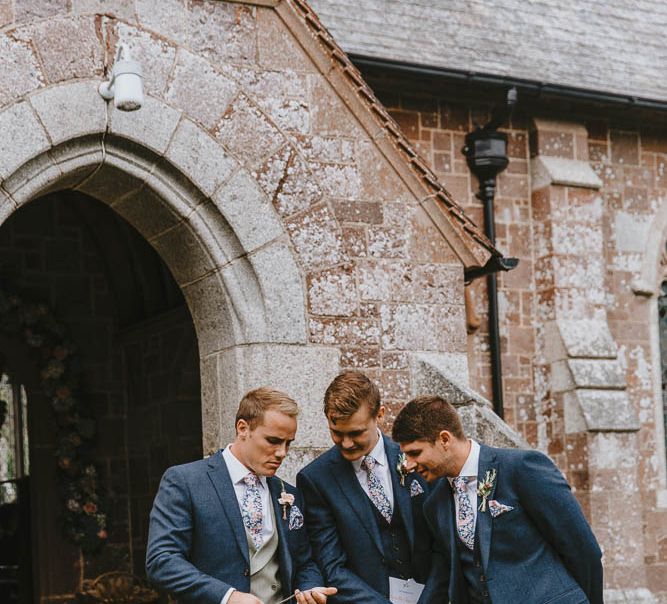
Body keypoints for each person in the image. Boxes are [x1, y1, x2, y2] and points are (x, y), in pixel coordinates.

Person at [392, 394, 604, 604]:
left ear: (444, 439)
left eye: (415, 453)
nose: (408, 465)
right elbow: (445, 574)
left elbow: (583, 550)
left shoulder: (522, 468)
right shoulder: (434, 503)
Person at [146, 387, 337, 604]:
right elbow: (162, 561)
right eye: (273, 441)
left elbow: (304, 562)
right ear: (243, 428)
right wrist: (227, 597)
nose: (282, 452)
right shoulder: (185, 481)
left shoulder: (289, 493)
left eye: (288, 443)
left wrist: (310, 587)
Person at [297, 371, 432, 604]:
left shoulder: (417, 458)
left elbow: (441, 543)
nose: (346, 443)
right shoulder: (315, 479)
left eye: (356, 433)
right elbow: (332, 566)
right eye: (336, 433)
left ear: (379, 415)